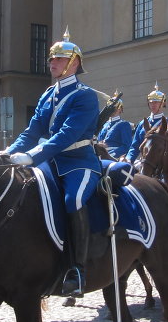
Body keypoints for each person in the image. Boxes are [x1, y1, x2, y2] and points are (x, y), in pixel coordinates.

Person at [6, 28, 100, 297]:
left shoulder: (85, 95)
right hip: (49, 162)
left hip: (78, 162)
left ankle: (77, 269)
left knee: (74, 200)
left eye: (58, 59)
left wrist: (33, 156)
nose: (52, 63)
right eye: (51, 59)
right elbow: (32, 131)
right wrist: (8, 153)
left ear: (74, 63)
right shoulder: (48, 94)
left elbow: (67, 135)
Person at [126, 83, 168, 163]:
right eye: (151, 102)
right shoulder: (142, 123)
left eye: (156, 102)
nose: (153, 105)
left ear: (163, 103)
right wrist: (128, 159)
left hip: (161, 164)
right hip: (143, 161)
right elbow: (135, 146)